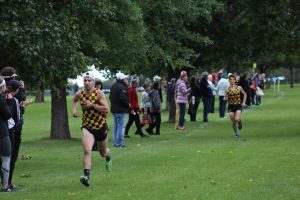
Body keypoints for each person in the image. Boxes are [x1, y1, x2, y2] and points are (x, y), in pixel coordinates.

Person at [72, 71, 111, 187]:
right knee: (87, 150)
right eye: (85, 80)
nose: (87, 83)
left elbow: (106, 109)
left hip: (100, 126)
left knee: (103, 153)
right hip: (87, 126)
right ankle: (86, 176)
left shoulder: (99, 94)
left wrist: (92, 105)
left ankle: (109, 158)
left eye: (89, 80)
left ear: (93, 82)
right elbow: (74, 100)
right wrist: (74, 110)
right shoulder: (80, 94)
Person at [1, 66, 30, 190]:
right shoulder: (11, 93)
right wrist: (22, 90)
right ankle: (7, 184)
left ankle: (6, 183)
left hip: (7, 127)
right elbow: (13, 113)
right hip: (11, 128)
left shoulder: (4, 92)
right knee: (10, 156)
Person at [0, 77, 13, 192]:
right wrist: (9, 101)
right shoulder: (1, 100)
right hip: (2, 132)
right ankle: (5, 186)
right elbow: (8, 114)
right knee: (5, 158)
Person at [109, 72, 129, 148]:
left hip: (114, 109)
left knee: (116, 126)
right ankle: (119, 143)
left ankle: (115, 142)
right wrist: (127, 105)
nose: (126, 80)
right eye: (125, 78)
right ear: (122, 79)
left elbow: (111, 98)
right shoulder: (122, 87)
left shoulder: (113, 86)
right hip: (120, 109)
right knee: (121, 127)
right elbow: (123, 98)